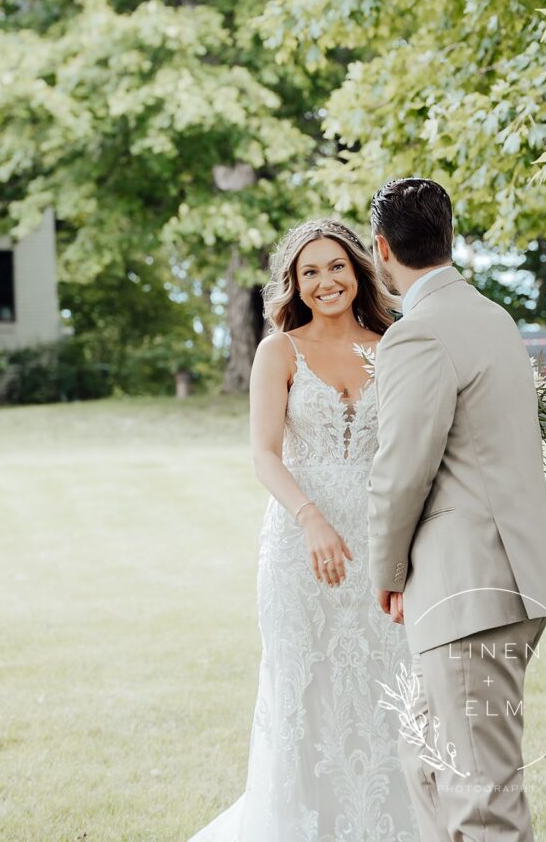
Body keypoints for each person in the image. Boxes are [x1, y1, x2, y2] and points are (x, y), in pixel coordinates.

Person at [188, 218, 419, 841]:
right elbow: (265, 453)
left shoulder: (393, 344)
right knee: (301, 691)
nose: (325, 282)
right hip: (299, 547)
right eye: (309, 272)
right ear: (293, 283)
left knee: (381, 691)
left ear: (359, 269)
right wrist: (311, 518)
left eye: (336, 266)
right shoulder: (279, 351)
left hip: (377, 546)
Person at [367, 178, 546, 842]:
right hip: (508, 583)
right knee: (424, 757)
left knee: (481, 801)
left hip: (466, 592)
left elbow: (400, 473)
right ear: (446, 237)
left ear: (380, 249)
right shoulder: (493, 317)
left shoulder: (419, 334)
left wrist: (387, 573)